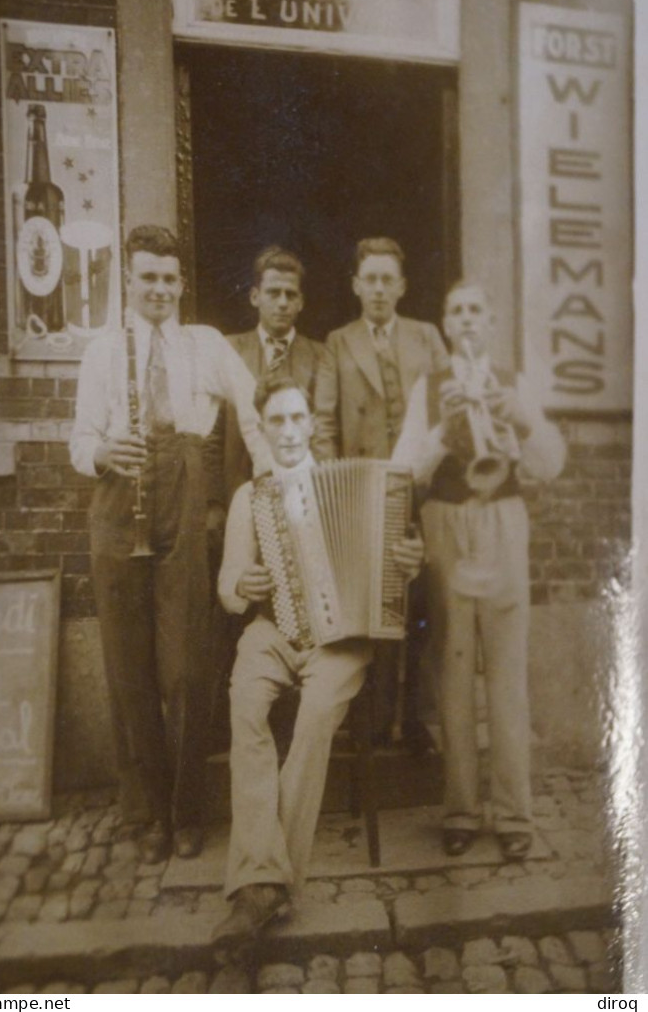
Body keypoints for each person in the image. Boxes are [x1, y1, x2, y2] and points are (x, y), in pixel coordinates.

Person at [70, 224, 270, 862]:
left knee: (184, 668)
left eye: (168, 278)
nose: (158, 288)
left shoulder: (204, 344)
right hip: (117, 498)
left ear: (182, 284)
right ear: (128, 282)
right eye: (146, 277)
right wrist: (102, 451)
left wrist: (271, 472)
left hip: (182, 499)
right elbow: (78, 440)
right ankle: (150, 812)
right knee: (130, 671)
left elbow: (251, 404)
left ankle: (187, 812)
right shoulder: (102, 352)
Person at [212, 376, 424, 951]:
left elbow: (395, 573)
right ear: (263, 429)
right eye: (274, 421)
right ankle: (267, 882)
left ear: (311, 424)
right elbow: (228, 586)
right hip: (271, 631)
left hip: (342, 641)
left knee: (311, 724)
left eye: (295, 419)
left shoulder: (363, 488)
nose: (286, 431)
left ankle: (261, 887)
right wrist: (242, 583)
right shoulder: (248, 498)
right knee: (246, 706)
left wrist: (407, 562)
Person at [392, 282, 566, 860]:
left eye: (475, 311)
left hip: (502, 520)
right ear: (445, 324)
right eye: (456, 311)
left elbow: (549, 465)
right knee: (453, 670)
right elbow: (405, 472)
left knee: (508, 673)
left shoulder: (514, 381)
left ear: (490, 323)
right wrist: (443, 432)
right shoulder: (430, 386)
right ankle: (462, 810)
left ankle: (515, 813)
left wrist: (516, 417)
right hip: (446, 522)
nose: (466, 320)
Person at [312, 236, 448, 741]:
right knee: (374, 606)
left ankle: (415, 717)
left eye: (388, 279)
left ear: (402, 286)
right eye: (370, 279)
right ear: (355, 285)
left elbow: (446, 409)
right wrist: (339, 490)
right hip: (366, 494)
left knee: (422, 606)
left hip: (422, 488)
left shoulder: (428, 337)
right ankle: (370, 718)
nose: (378, 289)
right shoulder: (339, 342)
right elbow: (323, 423)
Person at [206, 244, 323, 511]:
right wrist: (213, 503)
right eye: (273, 293)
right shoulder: (229, 350)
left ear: (301, 302)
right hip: (237, 496)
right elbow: (211, 433)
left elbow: (323, 432)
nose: (282, 302)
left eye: (290, 294)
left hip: (301, 501)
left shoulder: (320, 356)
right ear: (255, 296)